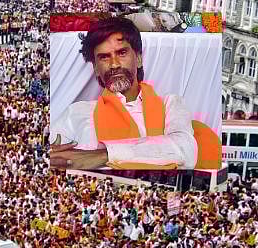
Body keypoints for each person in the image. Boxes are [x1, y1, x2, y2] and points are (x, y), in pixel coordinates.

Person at [49, 16, 198, 170]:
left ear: (139, 59)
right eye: (104, 57)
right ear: (95, 68)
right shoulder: (77, 112)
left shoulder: (170, 105)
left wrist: (103, 155)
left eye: (121, 53)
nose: (114, 64)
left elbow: (185, 151)